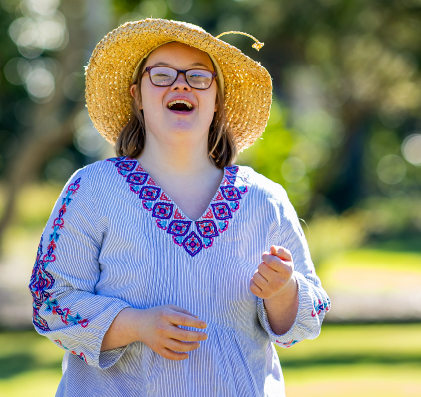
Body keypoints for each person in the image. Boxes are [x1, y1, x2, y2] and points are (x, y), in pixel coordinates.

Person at [29, 18, 330, 397]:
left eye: (199, 77)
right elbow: (51, 301)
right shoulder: (92, 190)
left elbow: (307, 319)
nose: (181, 84)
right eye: (163, 75)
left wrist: (283, 291)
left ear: (217, 99)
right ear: (137, 96)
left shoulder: (265, 200)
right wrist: (135, 325)